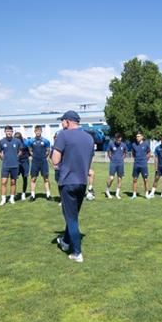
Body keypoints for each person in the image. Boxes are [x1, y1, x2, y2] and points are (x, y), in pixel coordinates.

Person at [52, 110, 95, 262]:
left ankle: (77, 253)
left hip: (67, 181)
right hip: (82, 182)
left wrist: (59, 165)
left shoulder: (63, 135)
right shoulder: (89, 138)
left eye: (62, 121)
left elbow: (55, 160)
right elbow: (89, 160)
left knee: (71, 218)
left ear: (68, 121)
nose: (61, 123)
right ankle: (65, 242)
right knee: (73, 215)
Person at [0, 125, 23, 205]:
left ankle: (12, 198)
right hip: (5, 165)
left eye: (10, 131)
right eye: (7, 131)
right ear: (5, 132)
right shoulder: (1, 141)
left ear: (12, 132)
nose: (9, 133)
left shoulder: (17, 141)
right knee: (3, 182)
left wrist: (17, 157)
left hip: (15, 165)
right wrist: (3, 158)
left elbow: (21, 151)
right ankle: (3, 199)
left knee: (13, 182)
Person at [26, 125, 54, 200]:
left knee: (46, 178)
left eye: (39, 131)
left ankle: (48, 195)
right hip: (35, 162)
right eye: (36, 131)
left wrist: (44, 157)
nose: (38, 132)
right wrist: (33, 155)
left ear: (41, 131)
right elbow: (30, 149)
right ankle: (32, 196)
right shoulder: (31, 141)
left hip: (43, 162)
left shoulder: (46, 141)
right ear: (34, 131)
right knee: (33, 179)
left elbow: (48, 150)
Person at [128, 132, 152, 199]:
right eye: (136, 136)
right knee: (135, 179)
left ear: (142, 137)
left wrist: (145, 160)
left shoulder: (146, 144)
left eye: (138, 136)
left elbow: (149, 153)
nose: (137, 138)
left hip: (143, 165)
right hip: (136, 165)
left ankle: (146, 194)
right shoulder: (133, 145)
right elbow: (133, 153)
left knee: (145, 179)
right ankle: (134, 194)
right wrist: (136, 159)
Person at [105, 133, 127, 198]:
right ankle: (107, 190)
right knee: (111, 178)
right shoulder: (111, 144)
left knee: (120, 178)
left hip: (120, 164)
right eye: (118, 140)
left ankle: (117, 193)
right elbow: (109, 153)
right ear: (115, 139)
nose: (119, 141)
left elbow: (125, 153)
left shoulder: (124, 145)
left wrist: (122, 159)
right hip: (113, 163)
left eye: (120, 140)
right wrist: (112, 159)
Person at [16, 131, 31, 197]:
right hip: (16, 162)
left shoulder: (25, 144)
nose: (17, 140)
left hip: (25, 162)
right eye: (16, 138)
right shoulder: (14, 144)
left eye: (18, 138)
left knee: (25, 178)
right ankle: (13, 194)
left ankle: (23, 193)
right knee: (14, 178)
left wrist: (26, 156)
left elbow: (29, 152)